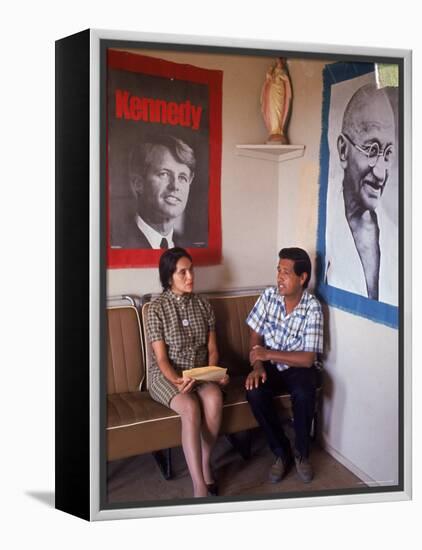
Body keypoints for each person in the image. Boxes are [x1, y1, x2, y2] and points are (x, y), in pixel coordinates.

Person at [146, 247, 229, 497]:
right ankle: (199, 486)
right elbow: (161, 359)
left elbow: (213, 350)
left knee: (214, 399)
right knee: (190, 407)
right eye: (183, 272)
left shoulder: (203, 304)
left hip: (200, 372)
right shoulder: (156, 308)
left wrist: (214, 372)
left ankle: (205, 463)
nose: (190, 276)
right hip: (167, 375)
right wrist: (178, 380)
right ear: (169, 276)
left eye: (191, 270)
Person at [245, 247, 323, 484]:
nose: (279, 277)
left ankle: (302, 453)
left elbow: (308, 358)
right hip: (269, 364)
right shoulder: (269, 296)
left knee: (304, 392)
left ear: (302, 278)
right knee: (254, 391)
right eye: (278, 270)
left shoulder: (312, 307)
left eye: (286, 272)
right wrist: (257, 365)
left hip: (298, 365)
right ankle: (281, 452)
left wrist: (267, 354)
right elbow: (255, 337)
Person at [325, 83, 397, 305]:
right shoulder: (327, 231)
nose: (380, 172)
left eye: (387, 153)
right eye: (372, 150)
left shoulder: (396, 237)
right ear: (343, 150)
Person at [118, 135, 196, 249]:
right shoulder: (118, 242)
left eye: (182, 177)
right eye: (164, 174)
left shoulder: (189, 247)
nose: (175, 186)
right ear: (138, 184)